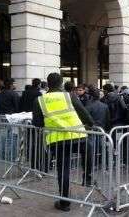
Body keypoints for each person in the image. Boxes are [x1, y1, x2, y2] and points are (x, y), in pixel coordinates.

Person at [32, 73, 94, 212]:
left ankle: (64, 203)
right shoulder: (69, 96)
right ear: (61, 84)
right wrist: (91, 124)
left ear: (48, 84)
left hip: (57, 140)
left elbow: (37, 123)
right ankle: (88, 177)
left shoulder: (40, 100)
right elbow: (84, 113)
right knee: (88, 148)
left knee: (63, 170)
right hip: (78, 135)